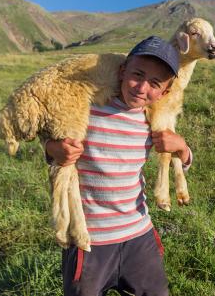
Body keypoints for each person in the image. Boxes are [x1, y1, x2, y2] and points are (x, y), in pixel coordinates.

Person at [44, 36, 192, 296]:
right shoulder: (89, 107)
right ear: (122, 71)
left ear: (164, 92)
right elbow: (46, 131)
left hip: (138, 234)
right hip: (88, 240)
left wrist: (182, 147)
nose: (141, 88)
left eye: (154, 84)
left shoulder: (153, 120)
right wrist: (51, 148)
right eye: (137, 74)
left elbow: (180, 159)